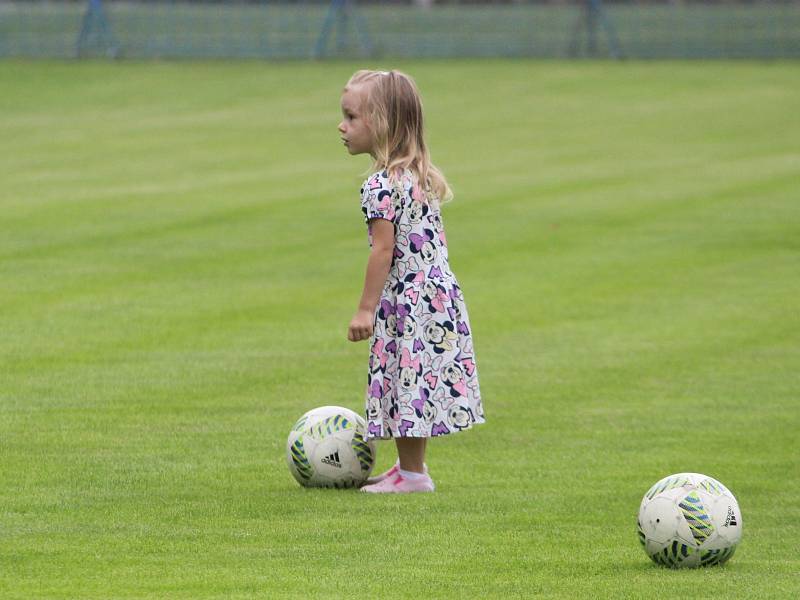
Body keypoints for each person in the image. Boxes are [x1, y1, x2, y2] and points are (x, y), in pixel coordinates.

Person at [338, 69, 484, 494]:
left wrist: (366, 308)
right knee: (412, 379)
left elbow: (383, 250)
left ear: (381, 124)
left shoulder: (380, 185)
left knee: (407, 379)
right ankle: (408, 468)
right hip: (435, 293)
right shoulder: (419, 176)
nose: (341, 127)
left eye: (351, 117)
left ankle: (415, 475)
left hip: (407, 298)